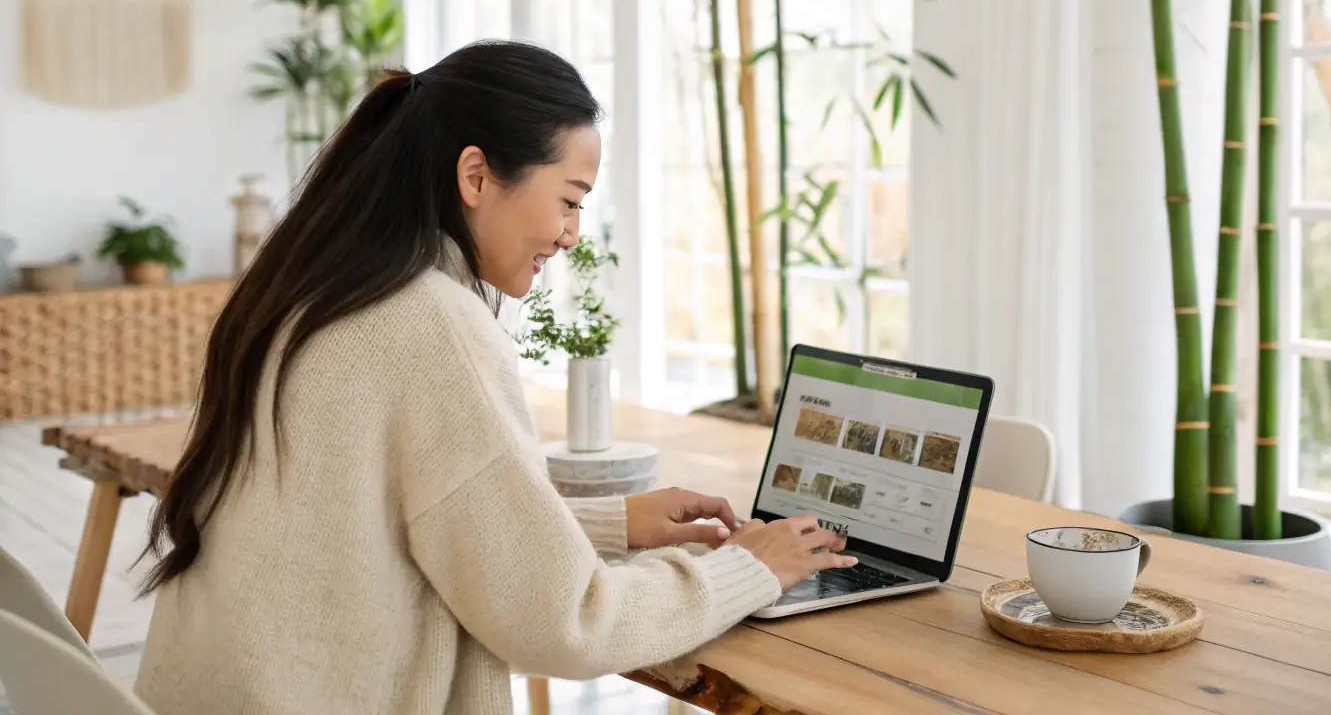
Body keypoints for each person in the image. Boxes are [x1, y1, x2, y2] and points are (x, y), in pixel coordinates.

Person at [134, 40, 855, 715]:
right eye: (569, 199)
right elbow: (565, 624)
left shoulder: (310, 289)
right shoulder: (429, 321)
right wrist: (749, 570)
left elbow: (378, 529)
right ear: (476, 176)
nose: (571, 234)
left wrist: (608, 524)